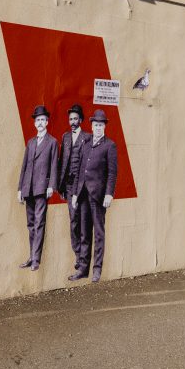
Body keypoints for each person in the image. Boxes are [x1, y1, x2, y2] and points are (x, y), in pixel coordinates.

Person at [70, 108, 118, 282]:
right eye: (95, 124)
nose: (98, 127)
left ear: (104, 126)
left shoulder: (110, 145)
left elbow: (112, 173)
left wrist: (109, 194)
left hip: (98, 196)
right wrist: (75, 194)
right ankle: (83, 269)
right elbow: (79, 171)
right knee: (84, 234)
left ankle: (96, 270)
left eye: (101, 125)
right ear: (91, 125)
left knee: (98, 233)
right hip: (82, 195)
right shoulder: (86, 143)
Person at [17, 105, 58, 272]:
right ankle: (31, 256)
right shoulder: (31, 142)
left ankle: (36, 259)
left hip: (42, 188)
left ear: (47, 122)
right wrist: (20, 188)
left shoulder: (52, 142)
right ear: (35, 124)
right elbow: (24, 166)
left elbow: (54, 165)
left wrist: (51, 186)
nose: (40, 123)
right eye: (37, 120)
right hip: (28, 188)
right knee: (30, 224)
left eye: (42, 120)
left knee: (39, 223)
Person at [58, 104, 91, 271]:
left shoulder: (88, 138)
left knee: (84, 222)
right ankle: (78, 254)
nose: (72, 122)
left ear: (81, 120)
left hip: (83, 188)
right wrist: (60, 186)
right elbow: (62, 161)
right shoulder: (64, 137)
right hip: (69, 187)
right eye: (70, 119)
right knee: (73, 222)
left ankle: (84, 258)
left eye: (75, 119)